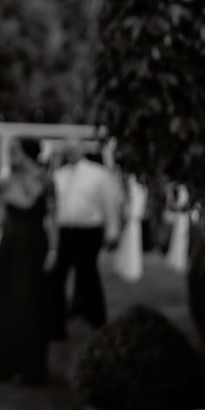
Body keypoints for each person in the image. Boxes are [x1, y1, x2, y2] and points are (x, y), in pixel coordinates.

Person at [0, 137, 56, 385]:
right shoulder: (10, 179)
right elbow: (2, 211)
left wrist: (53, 250)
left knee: (26, 301)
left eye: (15, 152)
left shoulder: (44, 180)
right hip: (9, 243)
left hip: (32, 244)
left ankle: (26, 365)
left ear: (28, 154)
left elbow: (51, 217)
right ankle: (1, 362)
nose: (11, 157)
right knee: (5, 298)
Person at [50, 141, 122, 329]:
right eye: (68, 149)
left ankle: (97, 318)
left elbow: (109, 203)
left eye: (74, 148)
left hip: (88, 231)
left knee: (88, 274)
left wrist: (112, 229)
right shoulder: (60, 174)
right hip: (65, 230)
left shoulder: (97, 174)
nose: (70, 152)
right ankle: (57, 322)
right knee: (58, 275)